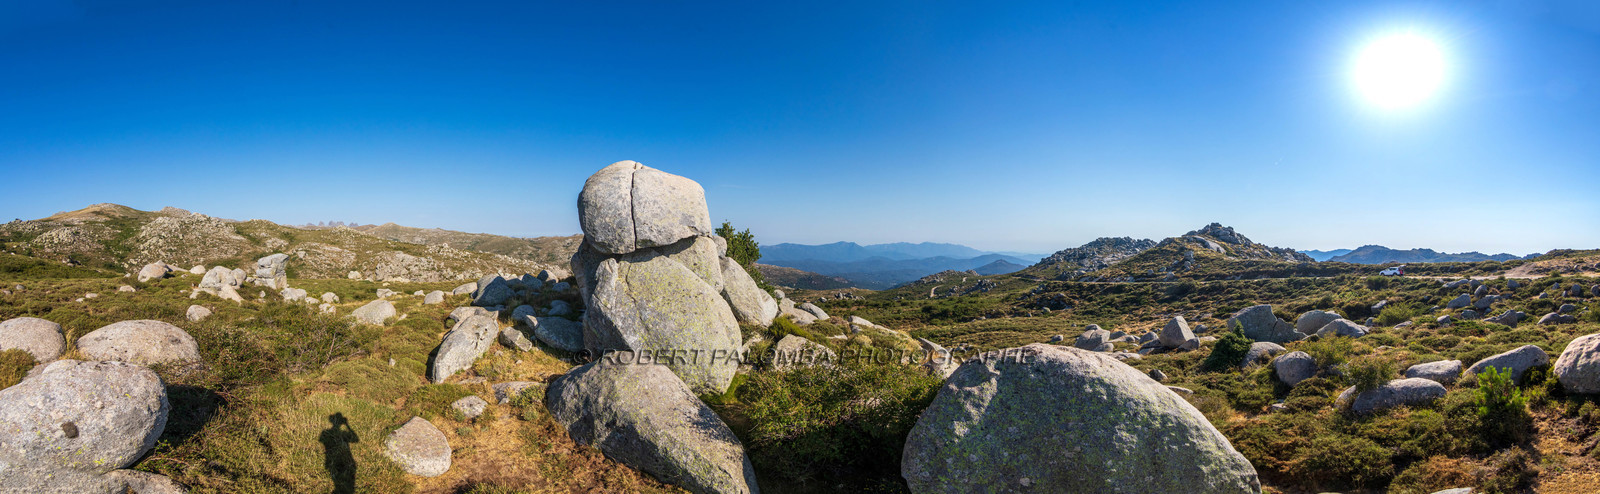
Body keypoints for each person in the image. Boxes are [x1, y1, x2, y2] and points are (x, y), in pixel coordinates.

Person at [321, 412, 360, 494]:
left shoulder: (325, 432)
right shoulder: (330, 432)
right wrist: (347, 425)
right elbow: (356, 439)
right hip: (342, 458)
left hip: (333, 458)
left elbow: (355, 439)